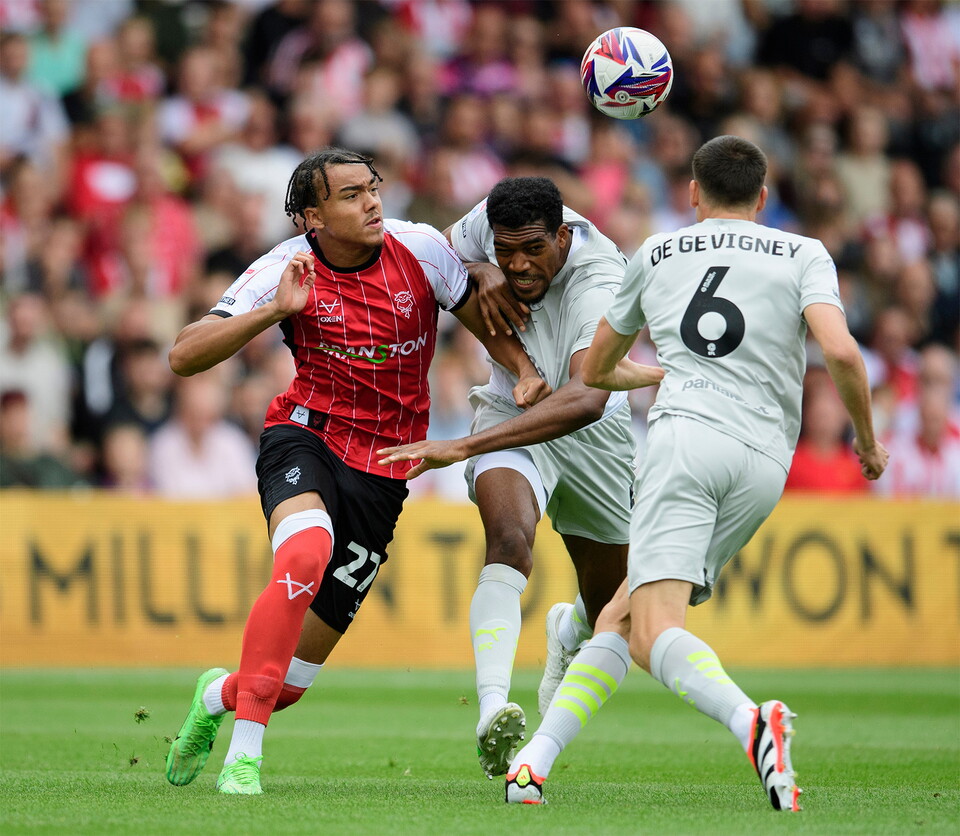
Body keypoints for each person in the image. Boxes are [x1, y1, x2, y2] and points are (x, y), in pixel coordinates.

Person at [502, 136, 889, 810]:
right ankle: (534, 764)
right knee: (623, 612)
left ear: (692, 193)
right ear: (763, 198)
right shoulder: (805, 254)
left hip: (686, 444)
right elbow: (842, 353)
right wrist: (868, 440)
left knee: (652, 630)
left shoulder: (658, 250)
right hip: (767, 462)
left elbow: (593, 370)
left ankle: (751, 722)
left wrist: (669, 370)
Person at [163, 147, 546, 795]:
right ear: (312, 217)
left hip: (384, 474)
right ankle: (244, 759)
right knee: (304, 556)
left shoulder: (420, 249)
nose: (372, 202)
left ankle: (215, 696)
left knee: (286, 685)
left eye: (373, 188)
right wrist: (272, 312)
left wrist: (527, 371)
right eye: (350, 195)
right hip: (305, 439)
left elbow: (479, 313)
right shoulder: (286, 268)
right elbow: (183, 355)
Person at [377, 176, 663, 778]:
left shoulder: (601, 278)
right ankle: (491, 712)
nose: (519, 264)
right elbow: (439, 251)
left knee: (610, 606)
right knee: (509, 540)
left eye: (534, 249)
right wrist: (476, 268)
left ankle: (569, 629)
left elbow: (585, 398)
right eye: (507, 251)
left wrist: (464, 445)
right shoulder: (493, 223)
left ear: (564, 235)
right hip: (511, 407)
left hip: (592, 433)